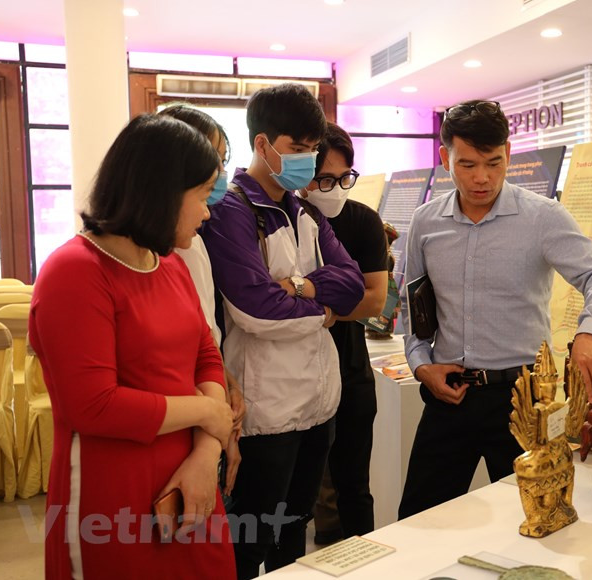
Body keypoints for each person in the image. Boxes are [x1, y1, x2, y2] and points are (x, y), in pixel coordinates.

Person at [29, 114, 236, 578]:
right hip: (114, 492)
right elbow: (94, 406)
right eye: (202, 195)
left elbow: (205, 354)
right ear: (161, 192)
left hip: (191, 483)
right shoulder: (75, 272)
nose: (208, 211)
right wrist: (206, 414)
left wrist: (206, 454)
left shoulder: (168, 264)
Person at [397, 99, 592, 520]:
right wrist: (420, 364)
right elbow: (415, 311)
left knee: (538, 517)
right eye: (467, 164)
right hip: (448, 397)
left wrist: (590, 333)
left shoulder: (543, 217)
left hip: (524, 398)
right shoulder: (427, 223)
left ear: (508, 155)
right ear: (445, 158)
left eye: (493, 163)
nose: (482, 177)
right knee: (419, 520)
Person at [201, 84, 364, 577]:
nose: (308, 162)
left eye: (314, 150)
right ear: (262, 145)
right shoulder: (231, 212)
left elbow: (353, 284)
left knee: (296, 531)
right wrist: (324, 307)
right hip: (265, 412)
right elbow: (258, 310)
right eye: (297, 150)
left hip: (317, 405)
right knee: (250, 542)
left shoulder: (302, 209)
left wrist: (298, 287)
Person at [302, 123, 388, 543]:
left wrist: (313, 304)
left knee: (354, 486)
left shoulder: (362, 221)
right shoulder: (286, 218)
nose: (335, 188)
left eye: (344, 179)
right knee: (299, 492)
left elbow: (374, 301)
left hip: (351, 369)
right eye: (324, 179)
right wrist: (331, 304)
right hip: (295, 374)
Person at [157, 104, 245, 499]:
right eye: (211, 164)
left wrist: (224, 389)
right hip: (172, 429)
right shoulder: (162, 252)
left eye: (223, 163)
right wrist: (212, 415)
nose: (220, 177)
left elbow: (204, 338)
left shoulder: (191, 241)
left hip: (204, 420)